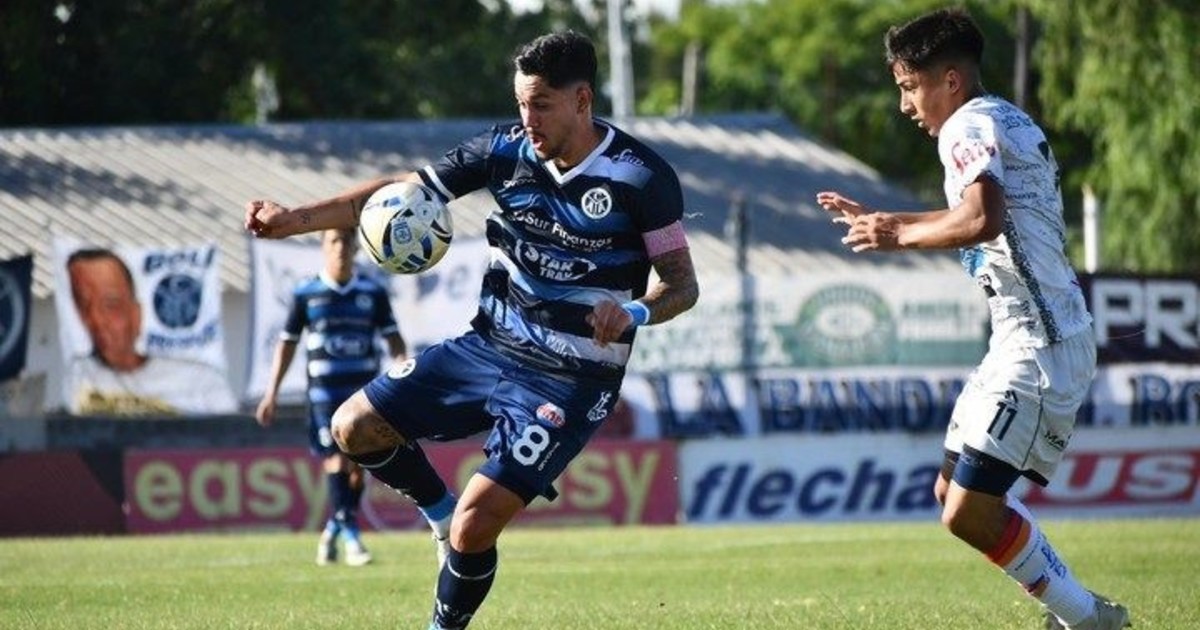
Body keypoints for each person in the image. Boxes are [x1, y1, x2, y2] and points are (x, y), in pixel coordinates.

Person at [244, 31, 699, 629]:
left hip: (571, 379)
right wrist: (291, 221)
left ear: (582, 100)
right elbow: (396, 194)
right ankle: (437, 513)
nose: (527, 119)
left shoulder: (641, 177)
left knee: (476, 525)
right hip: (489, 346)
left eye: (541, 105)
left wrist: (635, 311)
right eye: (521, 104)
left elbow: (681, 285)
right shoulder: (504, 150)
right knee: (352, 428)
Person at [816, 8, 1128, 630]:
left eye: (910, 86)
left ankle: (1086, 616)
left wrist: (896, 237)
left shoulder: (965, 126)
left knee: (967, 512)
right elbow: (983, 214)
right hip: (1019, 337)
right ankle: (1079, 610)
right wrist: (890, 221)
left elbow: (982, 219)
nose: (905, 104)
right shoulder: (1003, 116)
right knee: (950, 494)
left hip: (1041, 344)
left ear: (950, 80)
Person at [255, 227, 407, 567]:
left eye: (346, 241)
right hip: (324, 395)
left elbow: (393, 338)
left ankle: (333, 529)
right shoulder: (306, 293)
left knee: (359, 469)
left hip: (363, 396)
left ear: (356, 248)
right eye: (333, 241)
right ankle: (352, 538)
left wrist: (402, 368)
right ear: (323, 247)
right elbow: (287, 343)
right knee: (337, 459)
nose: (340, 248)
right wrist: (271, 392)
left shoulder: (372, 292)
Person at [65, 248, 237, 416]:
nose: (96, 320)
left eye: (111, 305)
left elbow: (232, 431)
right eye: (83, 306)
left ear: (137, 315)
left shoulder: (202, 382)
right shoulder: (76, 375)